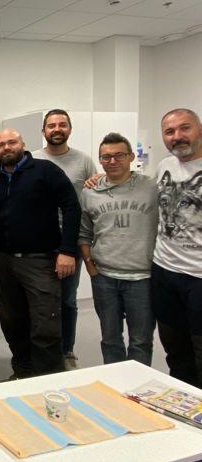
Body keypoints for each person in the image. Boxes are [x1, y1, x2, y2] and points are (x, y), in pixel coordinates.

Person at [0, 128, 80, 378]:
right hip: (4, 262)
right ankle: (22, 373)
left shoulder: (46, 171)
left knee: (45, 323)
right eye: (1, 144)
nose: (6, 147)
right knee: (12, 322)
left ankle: (47, 380)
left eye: (12, 142)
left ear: (23, 144)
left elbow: (71, 206)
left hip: (40, 261)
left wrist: (67, 250)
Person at [79, 133, 157, 366]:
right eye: (106, 157)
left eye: (119, 155)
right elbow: (84, 233)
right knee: (110, 339)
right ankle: (115, 383)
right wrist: (91, 267)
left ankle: (137, 384)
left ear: (131, 157)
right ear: (100, 160)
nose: (112, 161)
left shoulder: (152, 187)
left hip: (142, 279)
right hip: (104, 278)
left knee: (141, 341)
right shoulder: (90, 192)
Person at [32, 110, 97, 369]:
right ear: (43, 131)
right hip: (39, 243)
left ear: (69, 128)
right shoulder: (32, 159)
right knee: (39, 300)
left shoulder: (84, 162)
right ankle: (39, 350)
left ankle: (66, 350)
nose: (56, 129)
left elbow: (94, 195)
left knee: (67, 300)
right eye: (51, 125)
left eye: (62, 124)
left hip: (70, 242)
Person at [152, 108, 202, 387]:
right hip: (165, 271)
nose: (177, 136)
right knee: (175, 350)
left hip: (199, 277)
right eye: (169, 131)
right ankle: (183, 402)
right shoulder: (164, 166)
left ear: (199, 130)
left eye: (185, 128)